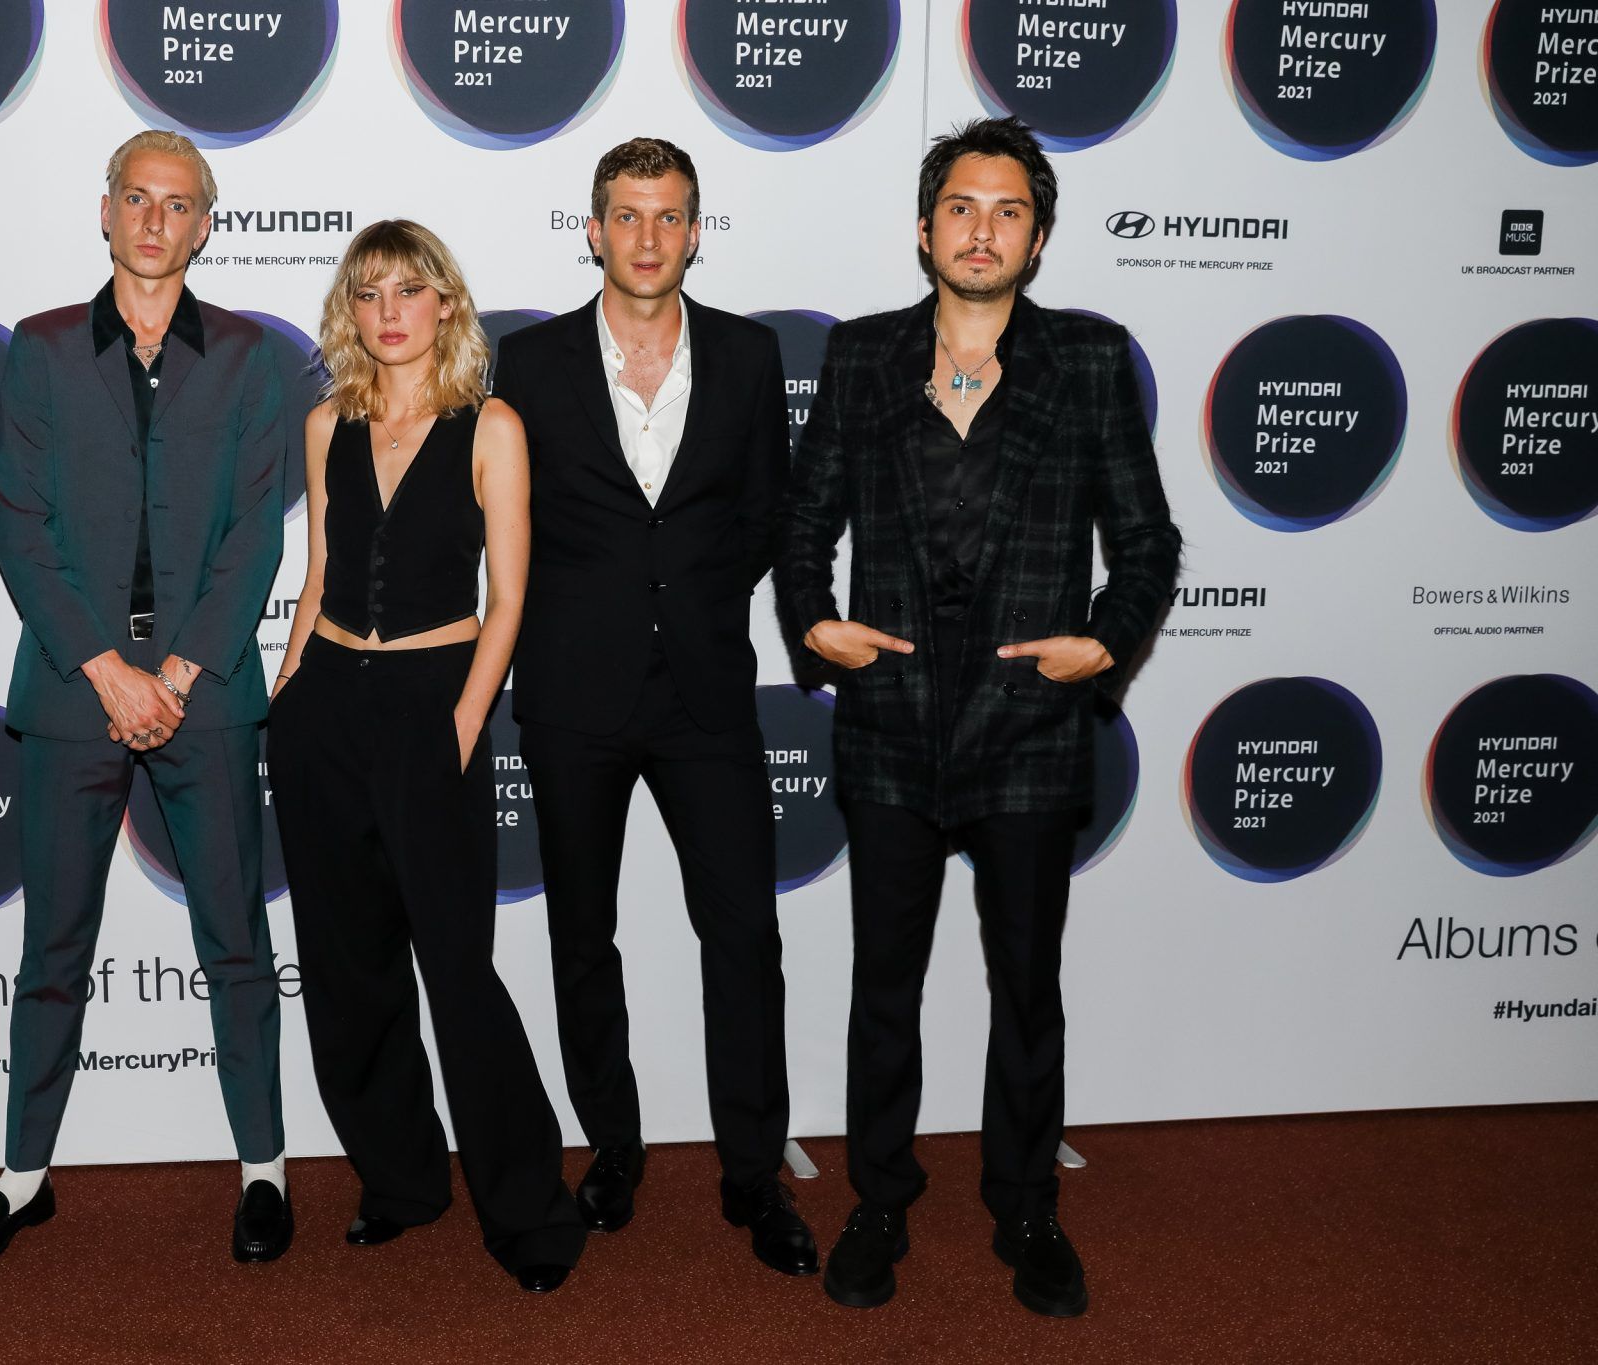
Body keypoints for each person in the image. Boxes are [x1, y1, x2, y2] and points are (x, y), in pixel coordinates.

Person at [775, 117, 1181, 1314]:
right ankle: (877, 1203)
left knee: (1026, 988)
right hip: (890, 723)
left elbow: (1147, 541)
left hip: (1029, 729)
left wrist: (1102, 643)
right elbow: (801, 527)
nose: (981, 229)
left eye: (1007, 211)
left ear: (1036, 239)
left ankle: (1025, 1206)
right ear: (923, 227)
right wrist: (813, 624)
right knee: (881, 990)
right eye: (960, 206)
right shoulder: (860, 357)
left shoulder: (1089, 361)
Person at [0, 130, 292, 1273]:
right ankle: (21, 1178)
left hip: (206, 692)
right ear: (105, 211)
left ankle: (264, 1170)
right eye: (136, 197)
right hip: (71, 687)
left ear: (204, 225)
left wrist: (175, 674)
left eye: (177, 203)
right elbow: (19, 524)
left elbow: (254, 534)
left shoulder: (249, 357)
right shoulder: (40, 348)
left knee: (236, 942)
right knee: (53, 946)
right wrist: (107, 669)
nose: (153, 219)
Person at [491, 138, 814, 1277]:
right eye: (626, 215)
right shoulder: (527, 362)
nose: (646, 237)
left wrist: (697, 597)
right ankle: (614, 1148)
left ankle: (752, 1172)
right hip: (571, 697)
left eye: (668, 216)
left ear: (694, 231)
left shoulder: (748, 355)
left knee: (745, 936)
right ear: (593, 231)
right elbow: (507, 521)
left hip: (707, 694)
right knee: (583, 935)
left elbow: (769, 513)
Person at [269, 219, 587, 1294]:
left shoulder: (490, 424)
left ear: (445, 302)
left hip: (431, 705)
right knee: (347, 966)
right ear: (348, 313)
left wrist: (461, 723)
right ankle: (400, 1179)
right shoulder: (327, 423)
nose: (389, 312)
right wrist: (288, 690)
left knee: (456, 969)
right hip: (324, 708)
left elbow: (509, 600)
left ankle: (527, 1210)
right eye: (368, 294)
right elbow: (317, 575)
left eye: (409, 290)